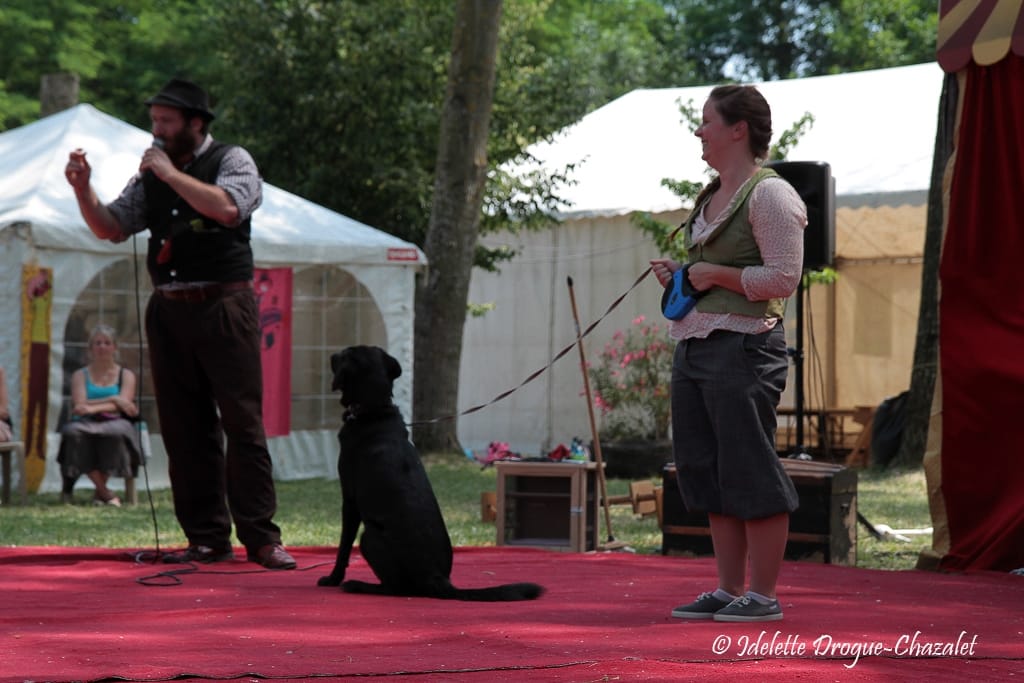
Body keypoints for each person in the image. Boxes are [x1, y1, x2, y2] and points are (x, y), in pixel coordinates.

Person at [64, 78, 295, 569]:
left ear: (196, 123)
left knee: (241, 422)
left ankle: (261, 538)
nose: (157, 131)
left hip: (224, 307)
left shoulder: (233, 160)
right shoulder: (151, 173)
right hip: (169, 309)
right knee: (184, 428)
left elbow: (229, 210)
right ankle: (207, 538)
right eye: (154, 122)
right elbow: (111, 227)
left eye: (166, 122)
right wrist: (84, 191)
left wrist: (169, 174)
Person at [650, 85, 806, 622]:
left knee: (748, 466)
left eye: (707, 122)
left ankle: (763, 596)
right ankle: (727, 588)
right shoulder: (710, 196)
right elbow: (715, 277)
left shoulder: (771, 195)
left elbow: (785, 277)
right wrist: (682, 277)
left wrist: (713, 273)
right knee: (707, 467)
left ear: (738, 129)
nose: (699, 131)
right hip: (695, 344)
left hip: (745, 347)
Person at [57, 325, 141, 507]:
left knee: (115, 434)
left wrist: (92, 406)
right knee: (73, 433)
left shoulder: (126, 375)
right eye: (97, 343)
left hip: (115, 421)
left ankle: (100, 492)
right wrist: (113, 399)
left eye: (107, 343)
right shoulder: (80, 375)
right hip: (85, 422)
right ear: (90, 349)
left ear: (114, 347)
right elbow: (79, 406)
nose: (102, 347)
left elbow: (126, 405)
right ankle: (104, 492)